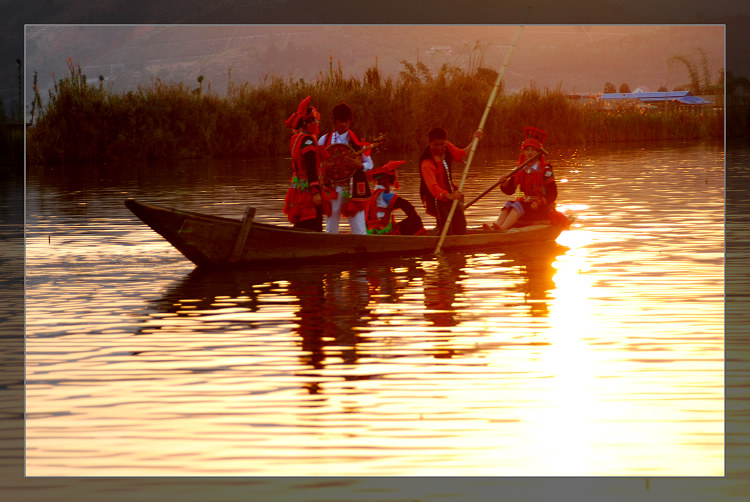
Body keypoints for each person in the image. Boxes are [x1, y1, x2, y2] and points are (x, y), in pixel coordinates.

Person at [318, 103, 374, 234]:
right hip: (332, 188)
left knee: (359, 228)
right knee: (331, 227)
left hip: (352, 188)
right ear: (335, 121)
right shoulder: (324, 140)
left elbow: (369, 164)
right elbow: (317, 163)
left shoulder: (358, 142)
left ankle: (362, 249)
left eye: (346, 121)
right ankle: (330, 248)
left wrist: (359, 165)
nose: (343, 125)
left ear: (350, 121)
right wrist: (324, 165)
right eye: (340, 121)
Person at [491, 126, 558, 231]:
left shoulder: (545, 169)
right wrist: (504, 184)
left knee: (518, 205)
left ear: (538, 153)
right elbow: (511, 190)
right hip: (526, 204)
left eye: (533, 150)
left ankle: (502, 229)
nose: (529, 153)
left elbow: (553, 194)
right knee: (508, 204)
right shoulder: (520, 168)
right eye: (527, 150)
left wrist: (539, 202)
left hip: (541, 208)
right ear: (523, 151)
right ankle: (496, 227)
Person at [418, 126, 482, 235]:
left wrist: (474, 140)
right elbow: (433, 187)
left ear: (445, 142)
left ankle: (457, 244)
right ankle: (441, 237)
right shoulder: (427, 162)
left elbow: (462, 155)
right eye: (436, 145)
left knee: (461, 226)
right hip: (435, 199)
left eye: (442, 144)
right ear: (429, 143)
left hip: (450, 193)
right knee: (446, 230)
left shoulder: (447, 147)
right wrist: (449, 196)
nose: (439, 148)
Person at [282, 95, 328, 231]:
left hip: (299, 188)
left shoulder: (296, 138)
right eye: (314, 120)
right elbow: (310, 167)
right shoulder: (308, 140)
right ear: (308, 122)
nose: (316, 123)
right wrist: (316, 192)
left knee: (301, 219)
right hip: (309, 190)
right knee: (312, 221)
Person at [365, 160, 427, 235]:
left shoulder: (374, 193)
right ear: (386, 180)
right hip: (382, 231)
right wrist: (412, 216)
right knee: (416, 220)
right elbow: (406, 205)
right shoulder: (385, 195)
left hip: (371, 230)